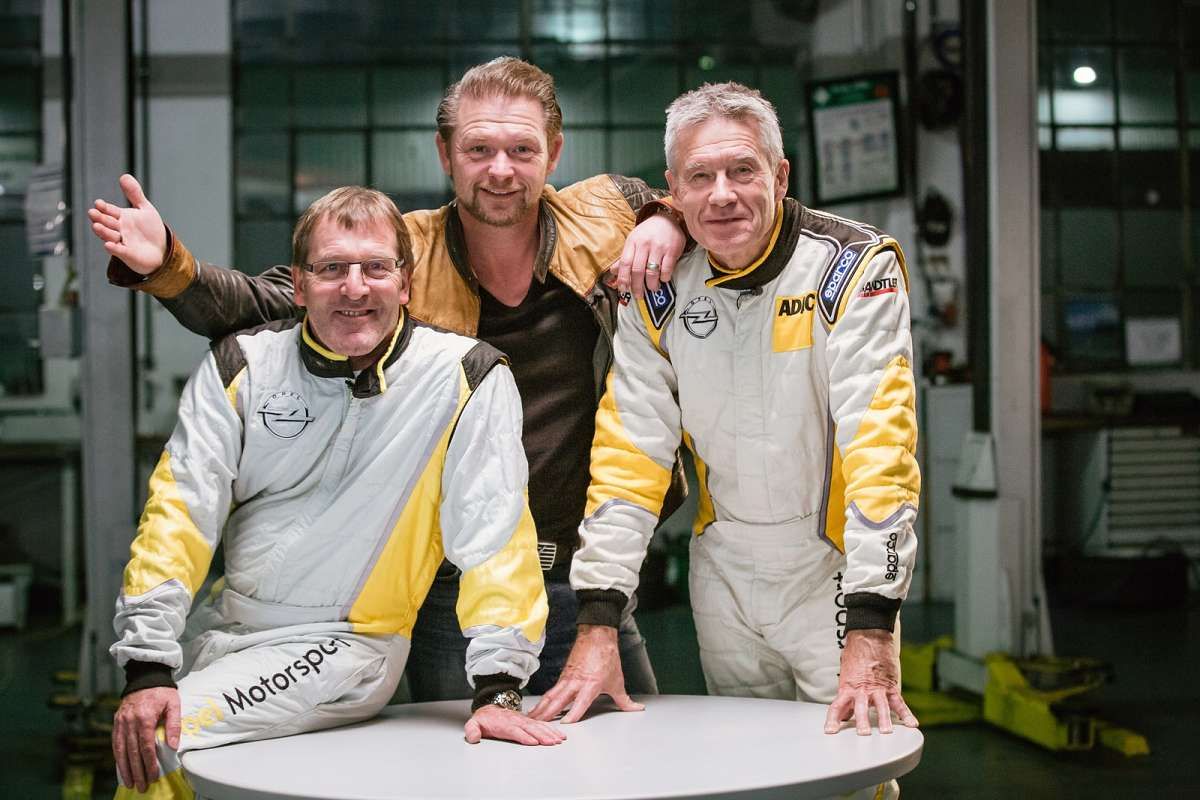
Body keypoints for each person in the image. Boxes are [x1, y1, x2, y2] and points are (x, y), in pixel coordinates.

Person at [89, 57, 686, 709]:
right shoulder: (405, 252)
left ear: (554, 152)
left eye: (521, 149)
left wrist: (670, 219)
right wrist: (170, 266)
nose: (501, 170)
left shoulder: (610, 213)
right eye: (478, 150)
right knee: (471, 756)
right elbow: (272, 305)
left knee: (629, 751)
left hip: (592, 580)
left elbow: (718, 202)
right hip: (452, 587)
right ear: (445, 154)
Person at [108, 186, 561, 799]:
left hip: (347, 646)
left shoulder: (464, 376)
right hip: (225, 625)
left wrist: (500, 687)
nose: (355, 287)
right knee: (144, 726)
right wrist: (148, 661)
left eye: (376, 267)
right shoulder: (241, 365)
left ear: (405, 283)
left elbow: (496, 533)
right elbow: (179, 513)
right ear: (298, 285)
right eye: (331, 269)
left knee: (161, 737)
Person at [533, 82, 922, 771]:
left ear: (779, 175)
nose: (722, 195)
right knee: (746, 768)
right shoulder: (655, 289)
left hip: (831, 572)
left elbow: (880, 448)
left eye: (743, 170)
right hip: (723, 573)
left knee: (855, 772)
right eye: (700, 177)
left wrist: (874, 617)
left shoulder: (853, 266)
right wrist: (598, 616)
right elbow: (630, 457)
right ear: (673, 192)